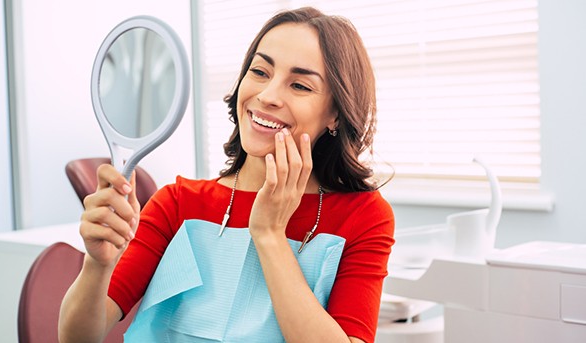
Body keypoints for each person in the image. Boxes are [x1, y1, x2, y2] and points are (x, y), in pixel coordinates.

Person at [59, 6, 394, 343]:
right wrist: (97, 265)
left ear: (335, 113)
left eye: (300, 85)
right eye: (260, 72)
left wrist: (269, 235)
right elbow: (77, 338)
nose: (267, 96)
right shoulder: (177, 203)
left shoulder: (364, 217)